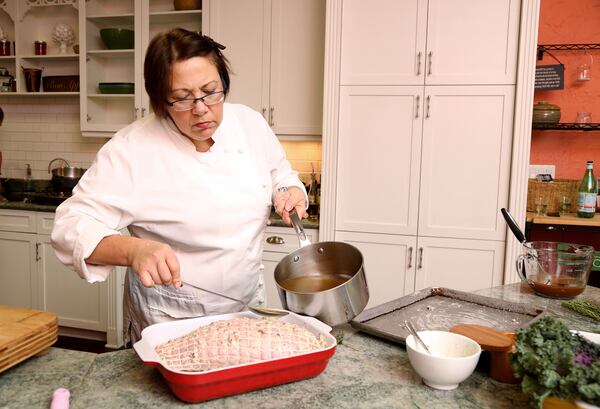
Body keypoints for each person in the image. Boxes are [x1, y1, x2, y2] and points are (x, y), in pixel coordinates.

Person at [51, 29, 308, 344]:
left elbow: (280, 174)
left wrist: (290, 190)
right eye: (182, 98)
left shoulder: (250, 125)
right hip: (169, 319)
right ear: (161, 101)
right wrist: (133, 250)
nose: (200, 108)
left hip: (246, 310)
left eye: (211, 91)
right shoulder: (132, 149)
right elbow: (70, 226)